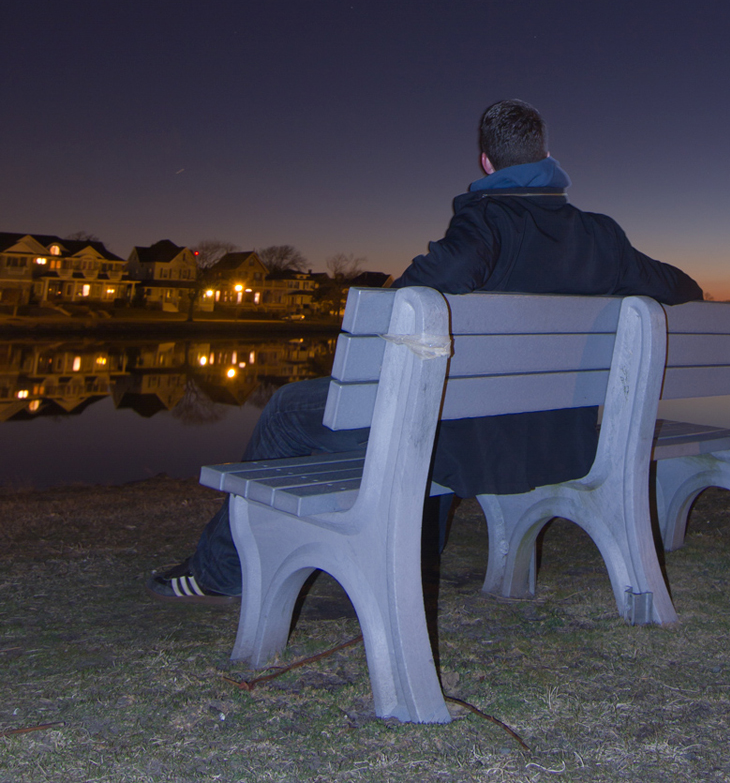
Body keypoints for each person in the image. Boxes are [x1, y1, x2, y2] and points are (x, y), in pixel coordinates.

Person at [147, 99, 701, 603]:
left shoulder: (486, 223)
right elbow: (684, 289)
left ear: (486, 164)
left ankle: (220, 571)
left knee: (288, 409)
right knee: (431, 400)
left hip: (472, 443)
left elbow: (412, 301)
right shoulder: (602, 236)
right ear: (548, 156)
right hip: (563, 439)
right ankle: (414, 552)